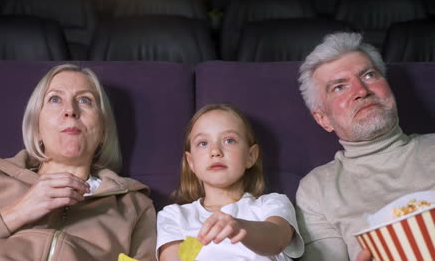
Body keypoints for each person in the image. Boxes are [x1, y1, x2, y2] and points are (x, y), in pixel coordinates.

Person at [0, 64, 156, 260]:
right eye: (55, 99)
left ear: (103, 132)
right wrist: (18, 211)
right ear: (37, 128)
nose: (70, 111)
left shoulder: (135, 206)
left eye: (85, 100)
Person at [295, 32, 435, 261]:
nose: (361, 91)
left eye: (369, 75)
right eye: (339, 87)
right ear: (323, 119)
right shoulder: (316, 189)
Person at [156, 104, 304, 260]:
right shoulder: (176, 216)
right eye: (203, 143)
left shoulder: (270, 204)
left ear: (250, 156)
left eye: (229, 140)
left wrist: (239, 227)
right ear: (191, 162)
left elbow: (276, 239)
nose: (215, 151)